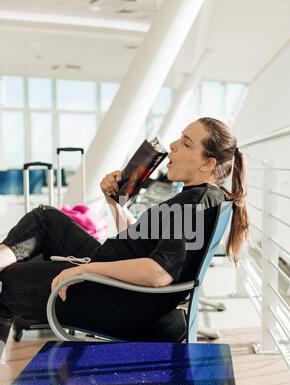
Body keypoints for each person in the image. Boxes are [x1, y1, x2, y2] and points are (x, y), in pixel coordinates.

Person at [0, 117, 249, 350]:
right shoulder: (198, 198)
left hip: (116, 300)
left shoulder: (194, 206)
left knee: (4, 284)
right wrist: (114, 201)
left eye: (185, 144)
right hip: (119, 285)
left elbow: (159, 273)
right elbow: (136, 241)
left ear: (208, 163)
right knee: (45, 217)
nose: (172, 146)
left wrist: (83, 270)